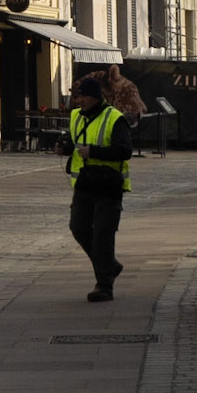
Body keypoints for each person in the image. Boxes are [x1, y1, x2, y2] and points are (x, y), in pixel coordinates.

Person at [61, 73, 132, 301]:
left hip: (109, 185)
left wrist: (94, 152)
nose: (79, 101)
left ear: (95, 97)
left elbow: (125, 151)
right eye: (78, 97)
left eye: (83, 97)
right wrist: (64, 149)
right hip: (85, 183)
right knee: (78, 227)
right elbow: (73, 143)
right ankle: (109, 265)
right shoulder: (76, 117)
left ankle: (104, 286)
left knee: (103, 234)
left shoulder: (115, 118)